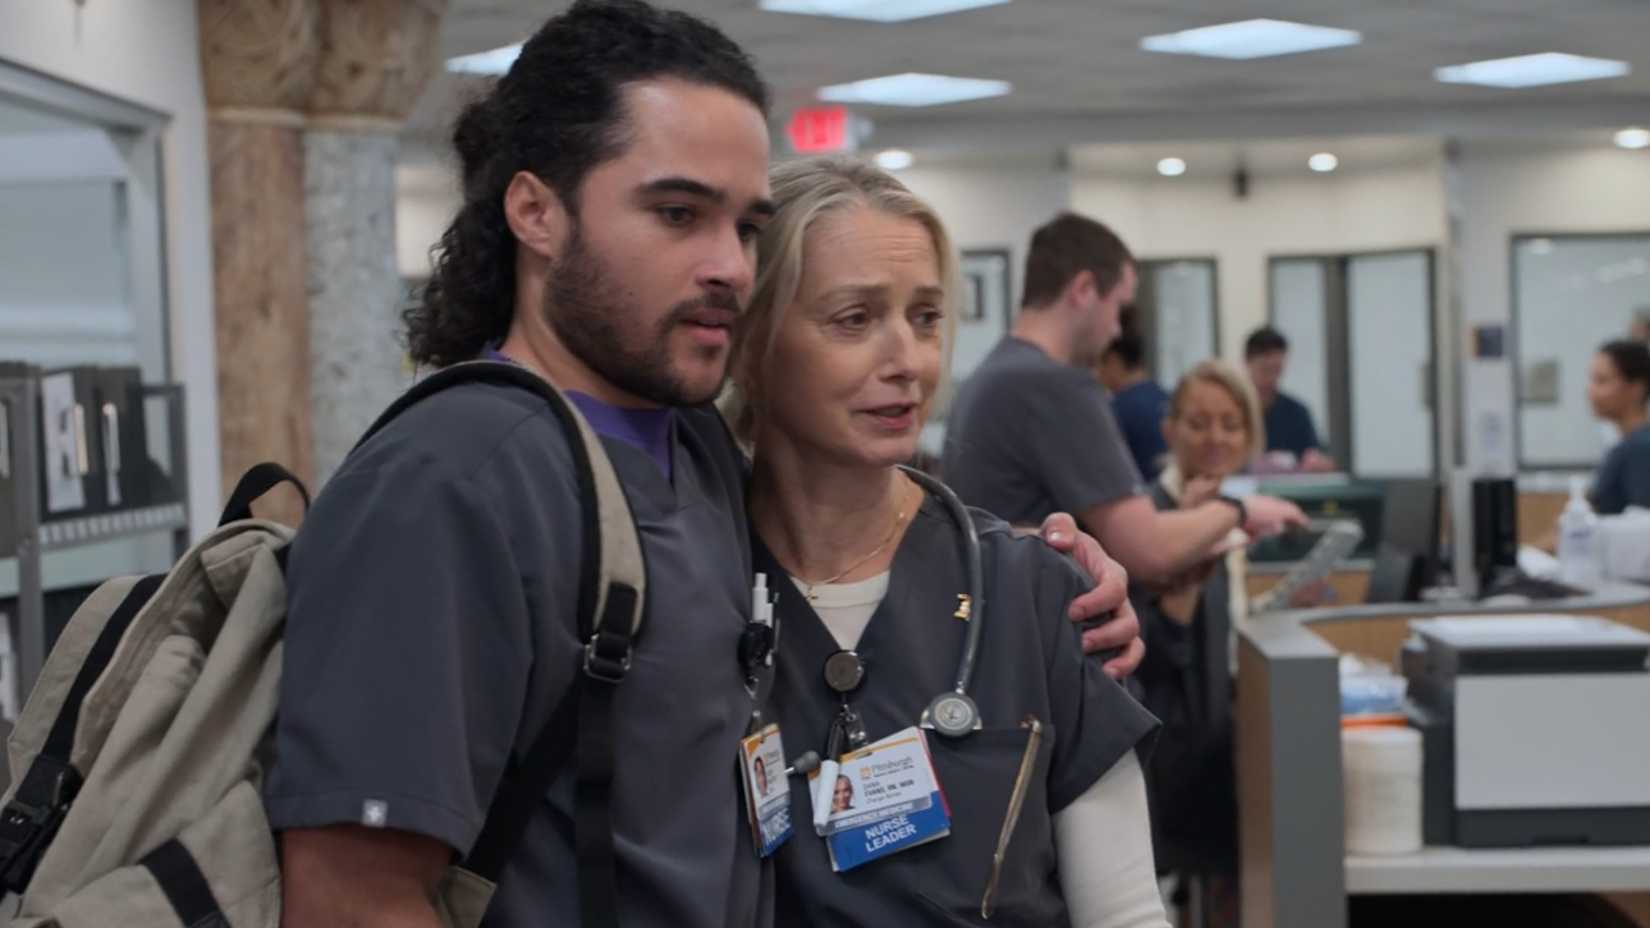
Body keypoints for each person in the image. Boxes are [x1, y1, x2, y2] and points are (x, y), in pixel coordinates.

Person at [267, 4, 1141, 926]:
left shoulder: (691, 449)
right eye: (677, 213)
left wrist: (1047, 577)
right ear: (535, 212)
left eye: (746, 225)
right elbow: (350, 898)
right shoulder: (450, 482)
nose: (728, 263)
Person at [730, 158, 1168, 928]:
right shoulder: (691, 587)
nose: (908, 361)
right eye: (855, 319)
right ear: (753, 339)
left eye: (927, 318)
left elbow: (1125, 913)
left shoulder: (1041, 595)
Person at [943, 212, 1308, 589]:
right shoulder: (1054, 384)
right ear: (1084, 289)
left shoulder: (992, 374)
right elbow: (1146, 549)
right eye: (1119, 307)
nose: (1117, 329)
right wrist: (1240, 509)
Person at [1131, 360, 1270, 926]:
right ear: (1170, 431)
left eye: (1231, 424)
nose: (1216, 438)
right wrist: (1186, 573)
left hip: (1210, 745)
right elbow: (1153, 649)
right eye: (1199, 422)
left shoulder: (1216, 516)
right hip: (1161, 753)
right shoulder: (1148, 524)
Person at [1244, 326, 1336, 473]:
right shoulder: (1235, 409)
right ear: (1248, 361)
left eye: (1276, 363)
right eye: (1265, 358)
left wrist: (1319, 463)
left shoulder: (1297, 412)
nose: (1271, 364)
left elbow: (1314, 454)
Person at [1097, 330, 1171, 481]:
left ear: (1113, 361)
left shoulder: (1115, 410)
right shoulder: (1169, 398)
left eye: (1099, 365)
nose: (1098, 373)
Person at [1587, 340, 1650, 515]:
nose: (1590, 390)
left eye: (1602, 381)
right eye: (1592, 380)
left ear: (1636, 388)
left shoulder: (1640, 449)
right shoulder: (1624, 446)